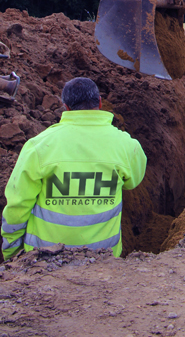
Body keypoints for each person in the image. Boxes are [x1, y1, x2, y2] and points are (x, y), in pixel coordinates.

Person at [1, 77, 147, 260]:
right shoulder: (128, 146)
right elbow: (132, 182)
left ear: (66, 107)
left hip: (44, 260)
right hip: (105, 260)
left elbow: (17, 205)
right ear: (100, 103)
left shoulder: (39, 146)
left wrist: (12, 252)